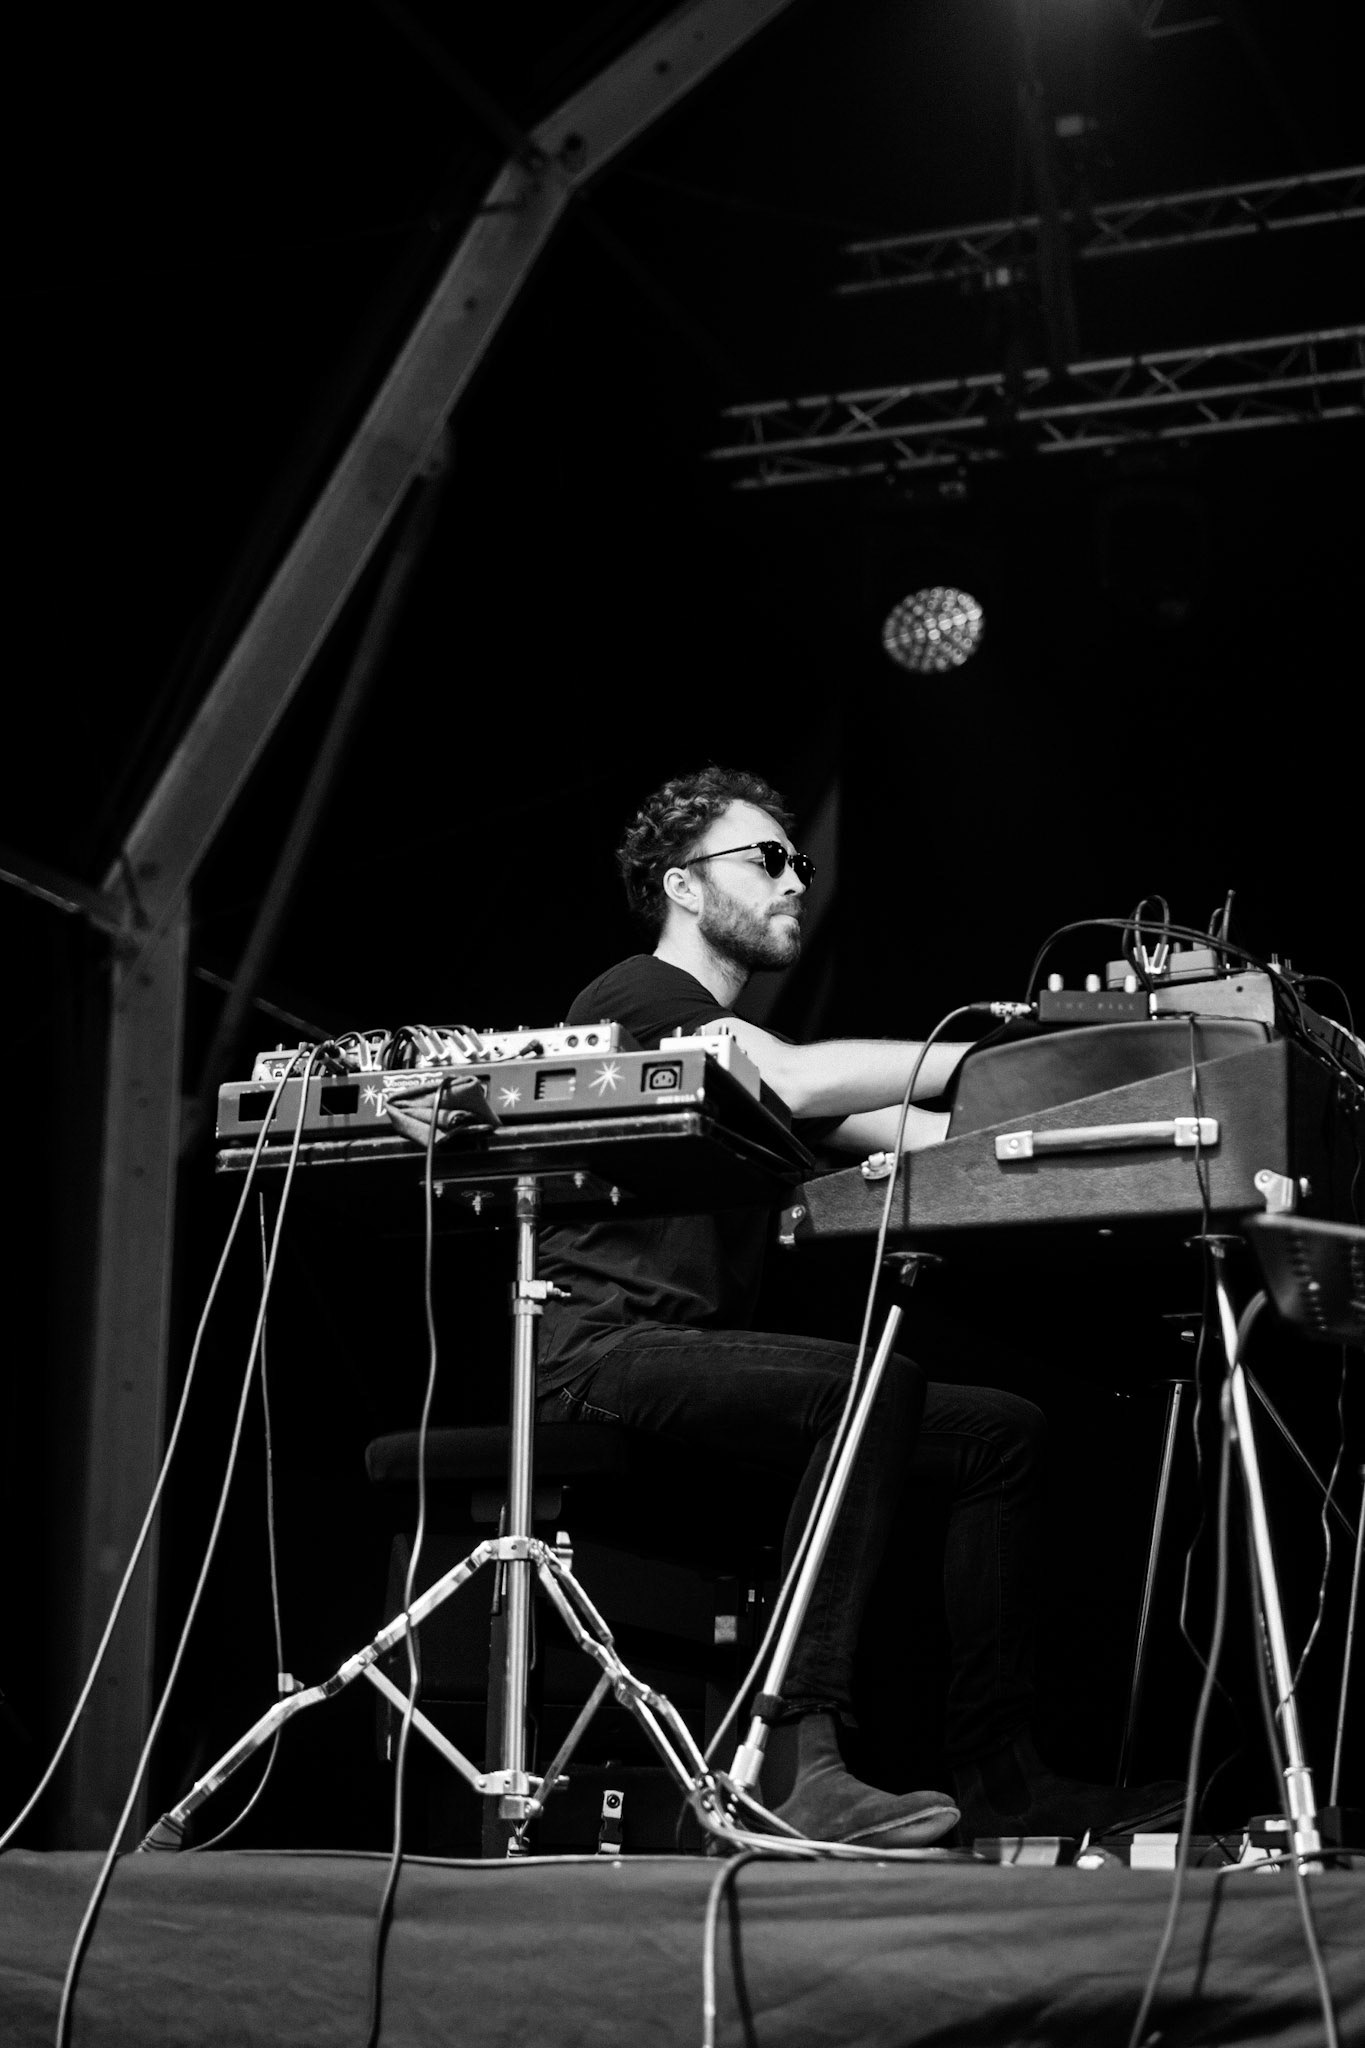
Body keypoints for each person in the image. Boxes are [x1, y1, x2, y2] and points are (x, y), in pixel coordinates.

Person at [536, 765, 1183, 1847]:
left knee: (997, 1435)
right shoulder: (634, 999)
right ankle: (791, 1750)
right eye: (768, 858)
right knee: (872, 1383)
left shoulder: (749, 1059)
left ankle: (1003, 1777)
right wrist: (989, 1050)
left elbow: (936, 1137)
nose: (797, 879)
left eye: (802, 860)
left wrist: (1131, 1093)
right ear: (682, 887)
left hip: (686, 1361)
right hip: (596, 1356)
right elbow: (793, 1080)